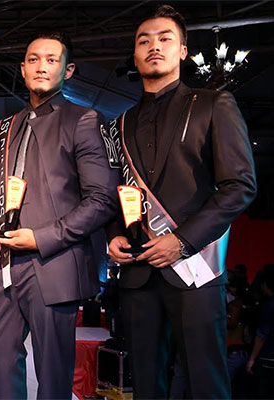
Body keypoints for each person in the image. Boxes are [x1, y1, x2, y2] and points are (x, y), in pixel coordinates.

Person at [106, 5, 257, 399]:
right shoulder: (118, 124)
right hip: (137, 273)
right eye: (144, 41)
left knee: (205, 383)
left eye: (165, 38)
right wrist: (112, 234)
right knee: (144, 384)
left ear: (183, 51)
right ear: (135, 55)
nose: (154, 46)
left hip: (195, 271)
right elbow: (112, 192)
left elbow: (240, 186)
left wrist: (182, 240)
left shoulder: (213, 104)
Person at [0, 31, 119, 399]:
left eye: (51, 60)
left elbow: (102, 200)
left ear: (67, 70)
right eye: (33, 59)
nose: (41, 66)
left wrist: (41, 237)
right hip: (6, 263)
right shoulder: (8, 124)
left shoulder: (84, 118)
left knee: (53, 372)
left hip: (54, 262)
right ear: (22, 68)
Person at [247, 265, 274, 399]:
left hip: (267, 358)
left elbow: (261, 335)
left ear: (265, 285)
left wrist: (252, 359)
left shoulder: (268, 305)